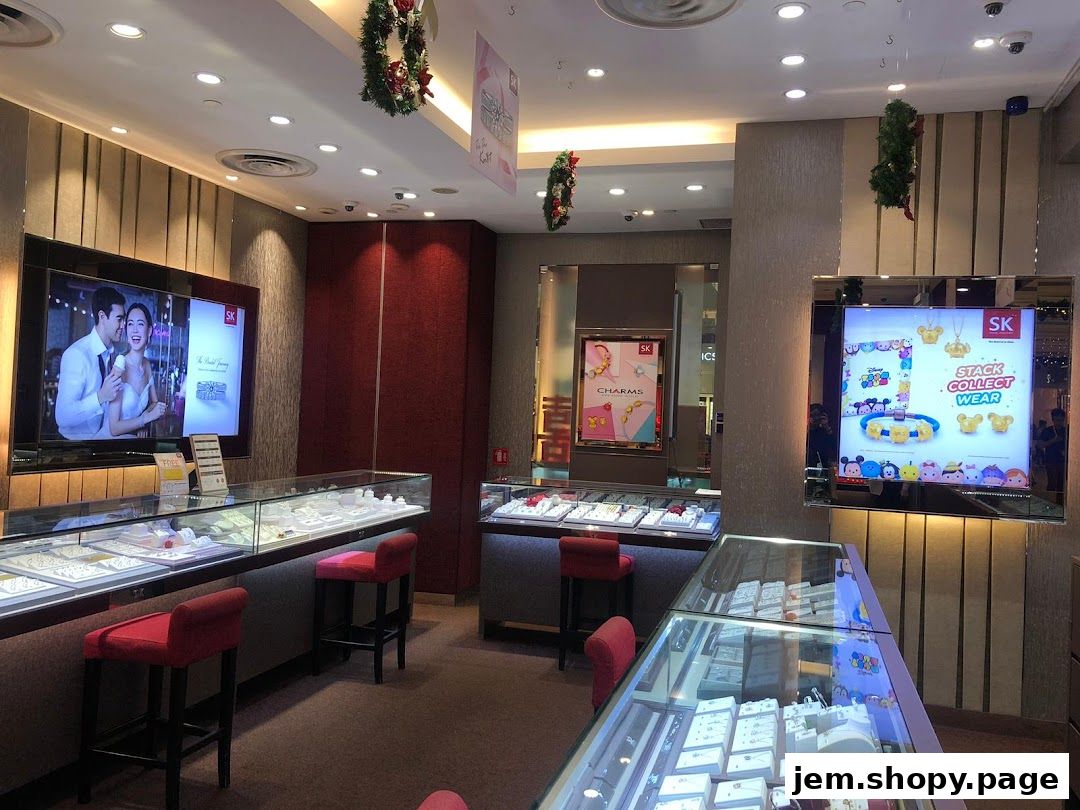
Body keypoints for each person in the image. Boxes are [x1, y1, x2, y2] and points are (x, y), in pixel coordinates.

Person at [55, 287, 126, 440]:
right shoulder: (77, 354)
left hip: (99, 443)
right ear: (102, 316)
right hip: (72, 450)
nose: (123, 325)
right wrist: (100, 396)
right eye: (119, 319)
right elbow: (62, 416)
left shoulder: (112, 356)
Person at [107, 303, 167, 437]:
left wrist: (142, 421)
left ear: (149, 330)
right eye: (130, 324)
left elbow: (155, 403)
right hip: (109, 445)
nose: (134, 330)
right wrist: (143, 420)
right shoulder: (120, 367)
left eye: (140, 324)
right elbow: (114, 428)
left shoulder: (146, 364)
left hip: (134, 444)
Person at [1037, 408, 1068, 499]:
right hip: (1051, 460)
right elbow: (1040, 445)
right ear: (1053, 419)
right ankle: (1049, 503)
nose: (1059, 422)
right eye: (1057, 420)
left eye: (1061, 420)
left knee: (1061, 484)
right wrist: (1053, 441)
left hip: (1063, 461)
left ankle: (1059, 503)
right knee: (1052, 483)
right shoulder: (1048, 431)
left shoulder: (1066, 430)